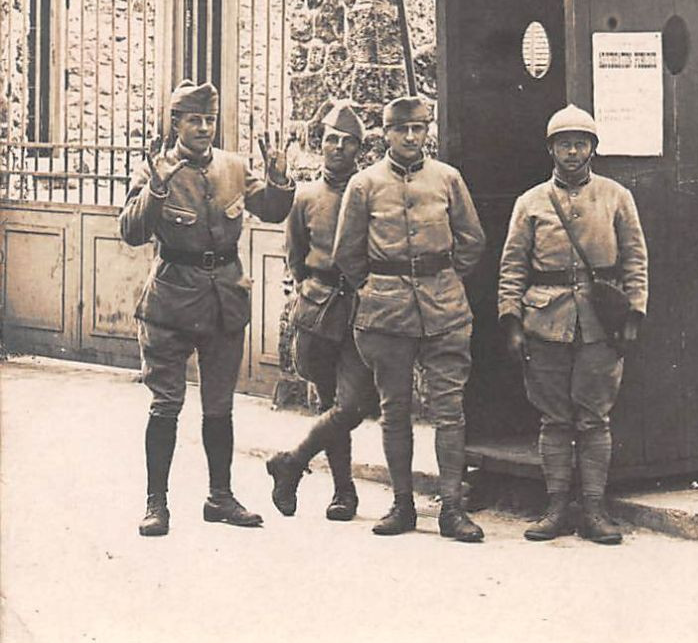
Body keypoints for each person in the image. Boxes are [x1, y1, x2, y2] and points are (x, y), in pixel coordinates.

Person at [120, 80, 294, 536]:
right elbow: (132, 231)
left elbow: (274, 210)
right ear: (175, 123)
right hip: (171, 302)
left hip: (223, 303)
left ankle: (220, 497)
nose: (202, 127)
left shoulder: (233, 167)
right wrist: (155, 191)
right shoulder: (155, 168)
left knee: (219, 406)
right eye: (193, 119)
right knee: (166, 405)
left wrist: (278, 179)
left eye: (209, 119)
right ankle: (156, 503)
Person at [333, 94, 487, 542]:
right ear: (385, 132)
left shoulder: (447, 179)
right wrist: (377, 285)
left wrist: (445, 277)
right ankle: (402, 505)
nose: (411, 137)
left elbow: (472, 239)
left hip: (445, 310)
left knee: (449, 412)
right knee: (394, 411)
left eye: (419, 128)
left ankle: (452, 509)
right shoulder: (364, 185)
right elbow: (348, 252)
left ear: (428, 130)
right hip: (385, 312)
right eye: (401, 129)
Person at [497, 105, 649, 545]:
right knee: (554, 419)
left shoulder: (616, 197)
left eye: (580, 143)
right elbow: (512, 267)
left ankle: (595, 509)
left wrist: (634, 313)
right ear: (551, 149)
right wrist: (512, 320)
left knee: (594, 418)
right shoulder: (531, 203)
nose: (572, 151)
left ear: (593, 148)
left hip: (602, 323)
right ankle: (556, 506)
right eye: (564, 143)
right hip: (546, 320)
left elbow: (635, 260)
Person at [265, 101, 380, 521]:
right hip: (318, 310)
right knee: (331, 403)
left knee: (353, 404)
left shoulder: (370, 190)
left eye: (347, 142)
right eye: (331, 139)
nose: (337, 147)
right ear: (321, 142)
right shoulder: (305, 196)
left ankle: (292, 462)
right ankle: (343, 493)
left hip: (362, 308)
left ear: (359, 150)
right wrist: (310, 293)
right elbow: (295, 257)